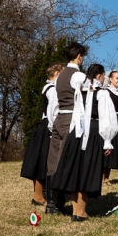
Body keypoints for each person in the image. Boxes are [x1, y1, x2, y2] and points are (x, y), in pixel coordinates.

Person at [52, 64, 118, 221]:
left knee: (77, 170)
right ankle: (80, 212)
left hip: (76, 134)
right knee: (87, 170)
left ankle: (76, 210)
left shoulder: (79, 92)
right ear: (100, 76)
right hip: (93, 132)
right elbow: (106, 117)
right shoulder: (101, 94)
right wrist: (107, 140)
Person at [46, 42, 88, 215]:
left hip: (59, 118)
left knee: (54, 159)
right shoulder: (78, 76)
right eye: (83, 56)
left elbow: (54, 103)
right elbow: (86, 101)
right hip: (72, 119)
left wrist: (52, 122)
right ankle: (58, 203)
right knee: (67, 159)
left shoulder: (61, 76)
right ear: (79, 56)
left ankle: (52, 203)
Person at [21, 63, 65, 206]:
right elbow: (53, 112)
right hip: (49, 127)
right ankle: (38, 196)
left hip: (46, 125)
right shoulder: (52, 90)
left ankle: (42, 193)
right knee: (43, 162)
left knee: (45, 161)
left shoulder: (50, 88)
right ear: (58, 73)